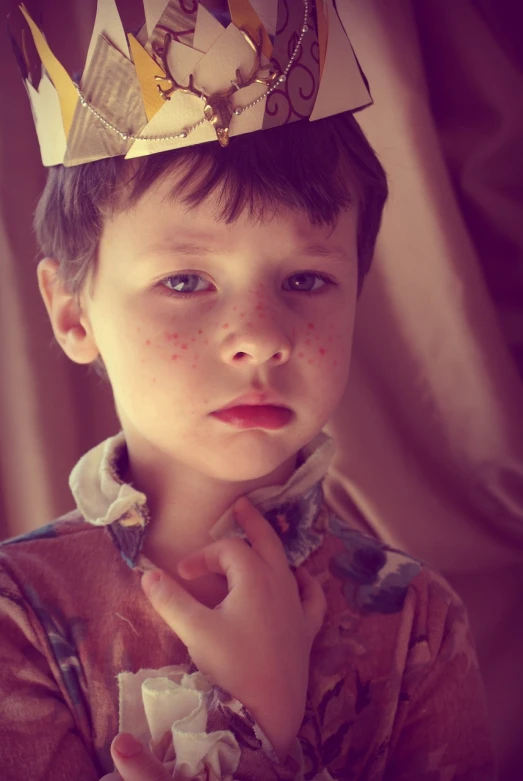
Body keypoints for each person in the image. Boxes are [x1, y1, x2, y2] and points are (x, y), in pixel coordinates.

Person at [1, 1, 497, 779]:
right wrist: (258, 716)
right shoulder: (16, 616)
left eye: (306, 278)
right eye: (186, 279)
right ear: (71, 311)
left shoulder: (416, 621)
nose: (261, 334)